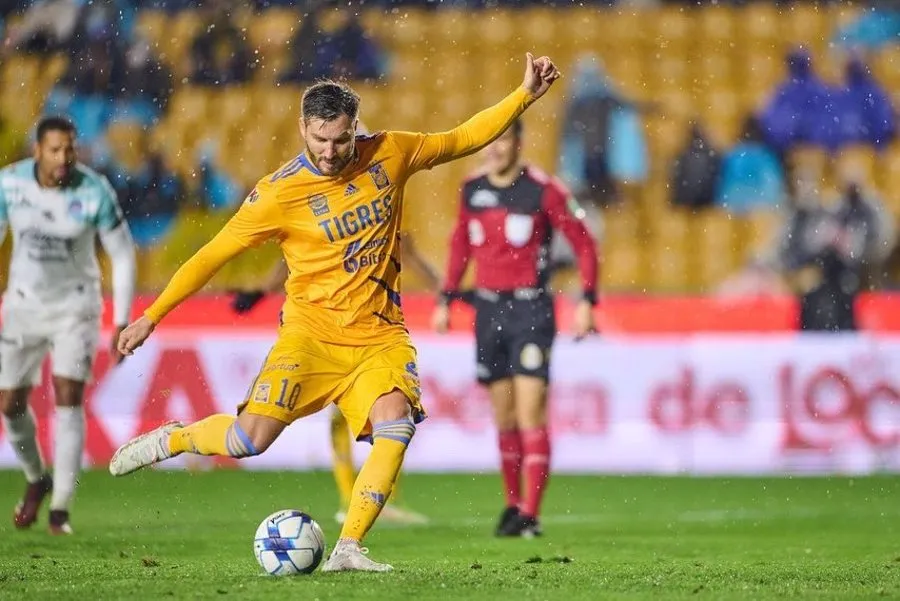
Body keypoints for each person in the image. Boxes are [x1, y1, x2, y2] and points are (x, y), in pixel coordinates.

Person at [108, 53, 561, 572]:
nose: (329, 151)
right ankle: (173, 438)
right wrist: (152, 315)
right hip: (310, 337)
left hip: (378, 337)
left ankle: (348, 547)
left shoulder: (392, 152)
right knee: (245, 440)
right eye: (319, 140)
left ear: (355, 127)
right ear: (303, 128)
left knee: (397, 423)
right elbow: (211, 255)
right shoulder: (278, 193)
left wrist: (523, 94)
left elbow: (463, 137)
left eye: (340, 140)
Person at [431, 118, 598, 538]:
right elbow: (460, 244)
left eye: (503, 140)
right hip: (487, 314)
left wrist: (587, 301)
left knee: (530, 413)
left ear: (519, 142)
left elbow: (583, 241)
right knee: (504, 417)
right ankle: (511, 507)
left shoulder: (543, 189)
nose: (496, 149)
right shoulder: (471, 189)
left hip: (530, 313)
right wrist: (447, 297)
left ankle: (531, 513)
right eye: (491, 140)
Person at [230, 229, 439, 527]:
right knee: (370, 420)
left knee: (391, 420)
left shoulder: (372, 214)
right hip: (325, 332)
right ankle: (358, 500)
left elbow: (410, 254)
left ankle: (374, 499)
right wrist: (261, 292)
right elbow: (290, 260)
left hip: (371, 330)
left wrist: (445, 290)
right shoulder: (331, 217)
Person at [0, 116, 136, 535]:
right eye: (56, 150)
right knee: (9, 404)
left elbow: (124, 253)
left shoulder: (94, 189)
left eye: (70, 149)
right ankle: (36, 476)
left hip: (76, 306)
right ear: (37, 150)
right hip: (24, 305)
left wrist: (122, 320)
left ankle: (60, 509)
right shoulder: (9, 184)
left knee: (67, 396)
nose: (64, 158)